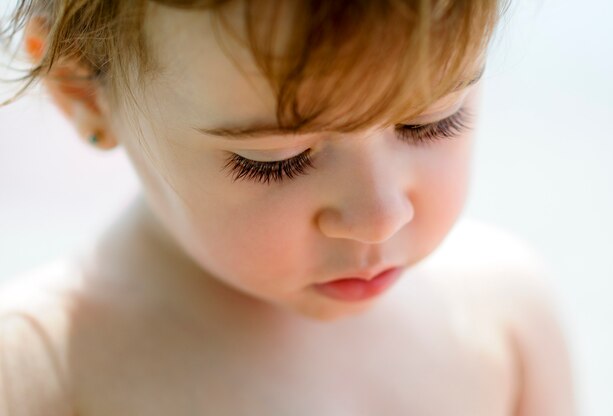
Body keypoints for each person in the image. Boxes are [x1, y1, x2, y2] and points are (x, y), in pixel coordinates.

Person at [0, 1, 577, 414]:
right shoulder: (36, 374)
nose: (379, 216)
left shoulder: (506, 322)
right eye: (277, 160)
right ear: (83, 91)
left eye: (432, 123)